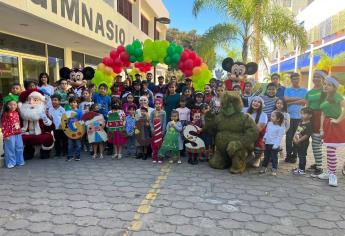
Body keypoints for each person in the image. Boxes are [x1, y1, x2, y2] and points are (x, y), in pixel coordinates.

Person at [318, 76, 345, 187]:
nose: (325, 86)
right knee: (329, 150)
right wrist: (321, 128)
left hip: (335, 125)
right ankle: (329, 172)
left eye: (329, 84)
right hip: (327, 125)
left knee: (331, 150)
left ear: (334, 87)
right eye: (325, 84)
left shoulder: (337, 96)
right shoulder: (325, 96)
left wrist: (338, 120)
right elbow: (323, 113)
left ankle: (333, 175)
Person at [306, 70, 327, 177]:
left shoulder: (325, 91)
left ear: (323, 79)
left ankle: (319, 168)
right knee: (314, 143)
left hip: (320, 118)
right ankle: (317, 163)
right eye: (314, 76)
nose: (316, 79)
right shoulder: (310, 92)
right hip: (310, 117)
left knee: (316, 143)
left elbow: (326, 107)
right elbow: (307, 105)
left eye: (319, 77)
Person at [284, 73, 307, 164]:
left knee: (297, 136)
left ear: (300, 79)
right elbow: (285, 100)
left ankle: (294, 155)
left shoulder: (304, 90)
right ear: (291, 80)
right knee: (288, 137)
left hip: (300, 118)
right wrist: (299, 100)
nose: (296, 80)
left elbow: (304, 101)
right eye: (294, 79)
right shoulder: (288, 89)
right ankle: (288, 155)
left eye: (297, 79)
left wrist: (291, 101)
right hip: (289, 117)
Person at [1, 94, 25, 168]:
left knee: (19, 147)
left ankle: (19, 161)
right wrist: (6, 135)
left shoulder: (17, 113)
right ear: (7, 105)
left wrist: (20, 131)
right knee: (10, 148)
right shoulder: (5, 114)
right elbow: (4, 125)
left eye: (15, 104)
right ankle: (11, 162)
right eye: (10, 105)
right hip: (9, 134)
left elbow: (18, 123)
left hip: (18, 133)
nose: (13, 106)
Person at [244, 96, 268, 167]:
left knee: (258, 146)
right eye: (254, 101)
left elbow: (257, 130)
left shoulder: (264, 115)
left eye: (258, 102)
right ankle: (249, 154)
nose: (256, 103)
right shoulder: (244, 110)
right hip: (243, 133)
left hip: (256, 136)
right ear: (251, 102)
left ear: (261, 105)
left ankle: (257, 158)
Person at [260, 111, 285, 176]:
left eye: (273, 116)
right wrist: (264, 139)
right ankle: (264, 168)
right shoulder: (269, 124)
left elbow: (279, 138)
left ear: (278, 119)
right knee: (266, 157)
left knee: (274, 158)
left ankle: (274, 169)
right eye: (271, 116)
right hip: (267, 143)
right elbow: (267, 132)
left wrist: (276, 145)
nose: (271, 117)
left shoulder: (281, 128)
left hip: (274, 145)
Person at [292, 107, 313, 175]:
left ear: (310, 115)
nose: (301, 115)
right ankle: (299, 168)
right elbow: (297, 131)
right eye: (301, 113)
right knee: (300, 155)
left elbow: (307, 135)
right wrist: (294, 138)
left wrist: (299, 140)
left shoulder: (309, 124)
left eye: (304, 114)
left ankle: (302, 170)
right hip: (298, 142)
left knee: (302, 156)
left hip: (303, 143)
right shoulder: (301, 122)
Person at [66, 97, 83, 161]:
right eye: (71, 102)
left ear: (77, 103)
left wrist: (81, 131)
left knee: (78, 144)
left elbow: (82, 121)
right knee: (70, 145)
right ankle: (70, 156)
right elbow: (65, 121)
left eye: (75, 102)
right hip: (69, 131)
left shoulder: (79, 112)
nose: (73, 103)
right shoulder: (67, 111)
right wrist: (66, 130)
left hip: (77, 131)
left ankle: (77, 156)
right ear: (69, 103)